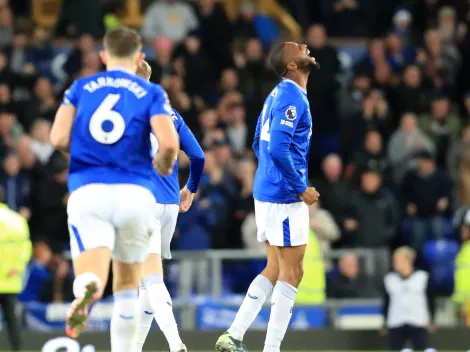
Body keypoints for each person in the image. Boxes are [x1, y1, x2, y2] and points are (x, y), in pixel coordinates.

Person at [49, 27, 179, 351]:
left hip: (89, 189)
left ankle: (87, 288)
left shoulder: (79, 88)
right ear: (140, 58)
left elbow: (57, 138)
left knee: (92, 268)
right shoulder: (151, 93)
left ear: (103, 56)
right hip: (135, 194)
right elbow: (169, 145)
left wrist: (85, 153)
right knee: (127, 287)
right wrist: (162, 166)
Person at [215, 42, 320, 352]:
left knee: (274, 268)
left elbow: (257, 138)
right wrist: (298, 185)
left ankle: (232, 335)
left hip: (268, 191)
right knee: (293, 271)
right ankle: (270, 349)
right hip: (284, 196)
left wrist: (268, 177)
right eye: (297, 48)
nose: (304, 46)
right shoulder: (291, 97)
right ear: (291, 65)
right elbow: (275, 147)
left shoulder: (275, 94)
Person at [133, 60, 205, 352]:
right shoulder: (170, 114)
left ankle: (175, 343)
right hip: (170, 203)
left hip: (143, 202)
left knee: (150, 276)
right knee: (145, 283)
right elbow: (198, 157)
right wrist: (191, 188)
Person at [381, 247, 436, 351]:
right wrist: (384, 322)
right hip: (396, 322)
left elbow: (430, 299)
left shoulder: (422, 277)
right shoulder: (389, 279)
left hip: (418, 321)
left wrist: (432, 319)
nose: (395, 263)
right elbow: (386, 302)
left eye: (398, 260)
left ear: (408, 260)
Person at [0, 186, 32, 351]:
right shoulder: (17, 220)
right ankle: (18, 348)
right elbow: (26, 248)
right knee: (12, 320)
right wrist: (16, 268)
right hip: (10, 279)